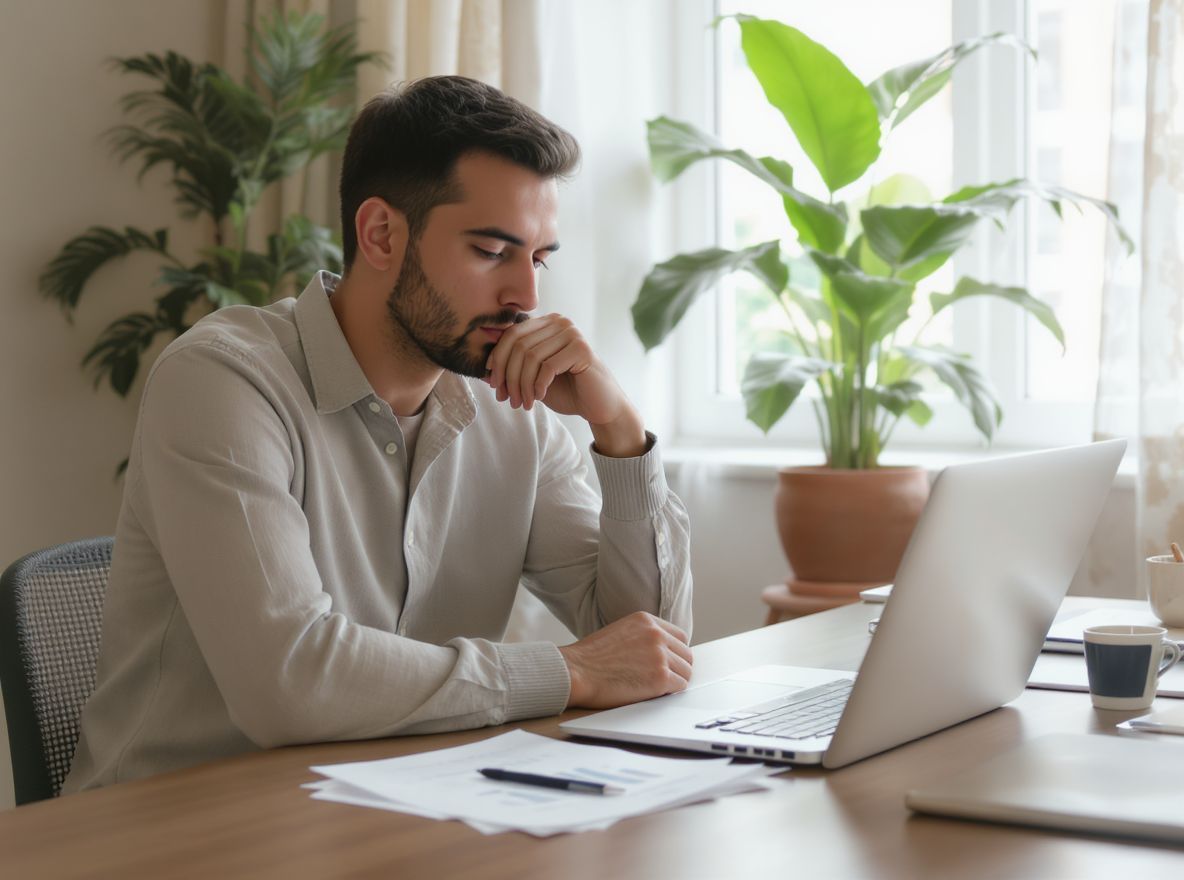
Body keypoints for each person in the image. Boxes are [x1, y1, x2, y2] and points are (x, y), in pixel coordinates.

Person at [63, 75, 693, 792]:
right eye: (492, 252)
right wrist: (569, 671)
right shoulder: (222, 381)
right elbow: (290, 680)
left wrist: (619, 432)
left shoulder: (513, 408)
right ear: (381, 234)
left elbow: (651, 649)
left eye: (539, 257)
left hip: (399, 811)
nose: (527, 297)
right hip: (172, 836)